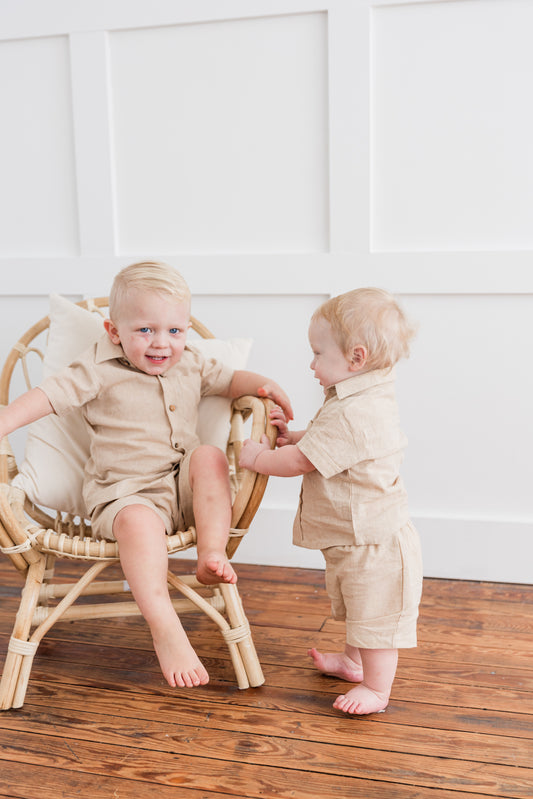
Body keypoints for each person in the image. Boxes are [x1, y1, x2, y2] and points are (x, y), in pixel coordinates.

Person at [0, 261, 293, 691]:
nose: (161, 342)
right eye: (145, 330)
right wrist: (5, 421)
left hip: (182, 489)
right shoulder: (98, 367)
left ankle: (212, 554)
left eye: (174, 330)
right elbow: (47, 396)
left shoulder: (192, 362)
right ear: (114, 331)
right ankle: (164, 625)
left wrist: (265, 385)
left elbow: (231, 381)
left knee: (210, 457)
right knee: (138, 522)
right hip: (125, 495)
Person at [239, 287, 422, 715]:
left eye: (318, 354)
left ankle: (377, 689)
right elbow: (325, 442)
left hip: (374, 543)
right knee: (360, 607)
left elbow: (302, 461)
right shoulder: (356, 397)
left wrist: (260, 458)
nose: (312, 364)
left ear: (356, 358)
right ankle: (354, 664)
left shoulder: (357, 411)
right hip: (356, 538)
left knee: (375, 620)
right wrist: (293, 435)